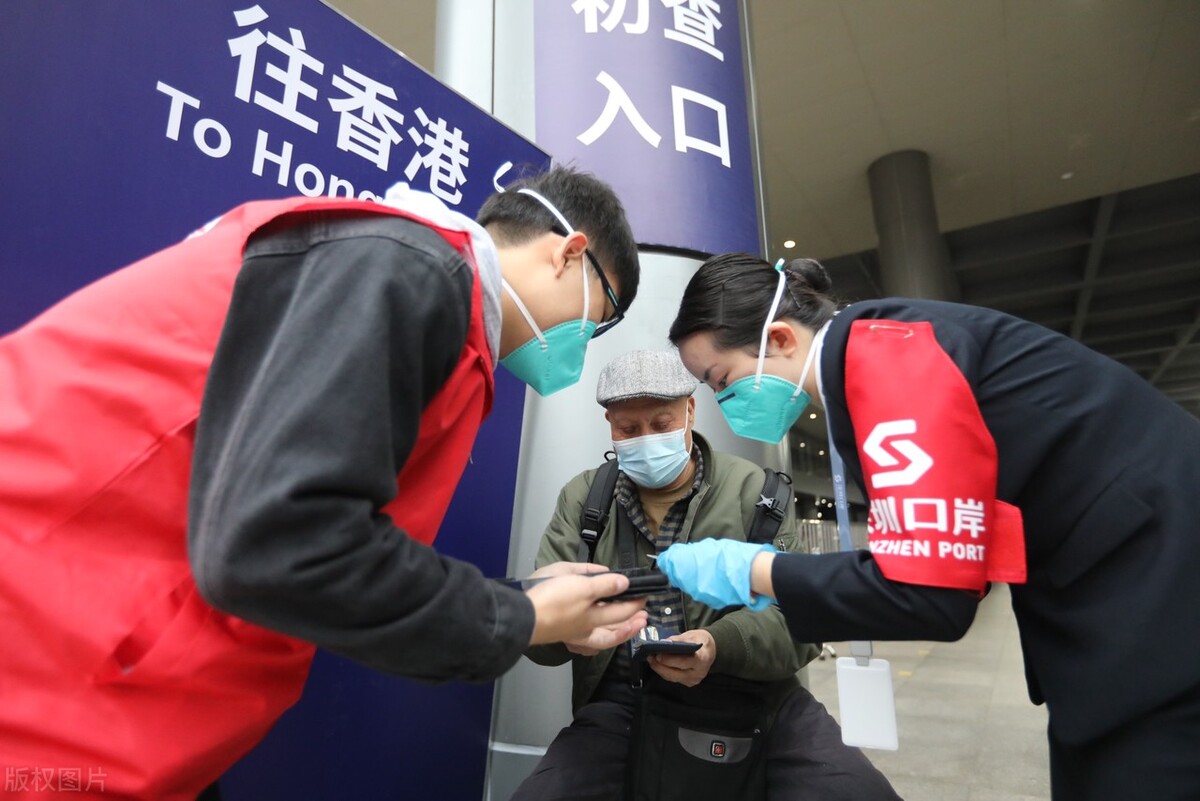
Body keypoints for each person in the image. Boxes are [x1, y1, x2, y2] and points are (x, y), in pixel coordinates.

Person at [0, 167, 651, 800]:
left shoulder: (405, 284)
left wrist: (519, 602)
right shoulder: (407, 269)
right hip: (54, 675)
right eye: (604, 314)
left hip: (114, 688)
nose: (588, 339)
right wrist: (523, 615)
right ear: (568, 252)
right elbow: (281, 544)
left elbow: (308, 542)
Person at [654, 252, 1200, 800]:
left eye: (721, 379)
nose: (725, 403)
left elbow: (927, 592)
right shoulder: (878, 350)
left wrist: (753, 569)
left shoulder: (884, 359)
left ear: (779, 339)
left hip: (1158, 599)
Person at [511, 349, 901, 801]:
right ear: (609, 424)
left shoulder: (755, 493)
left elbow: (802, 619)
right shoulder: (586, 499)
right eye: (628, 429)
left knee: (857, 791)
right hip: (622, 696)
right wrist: (563, 630)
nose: (644, 440)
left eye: (660, 424)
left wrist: (719, 645)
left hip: (756, 695)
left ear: (690, 411)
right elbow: (537, 626)